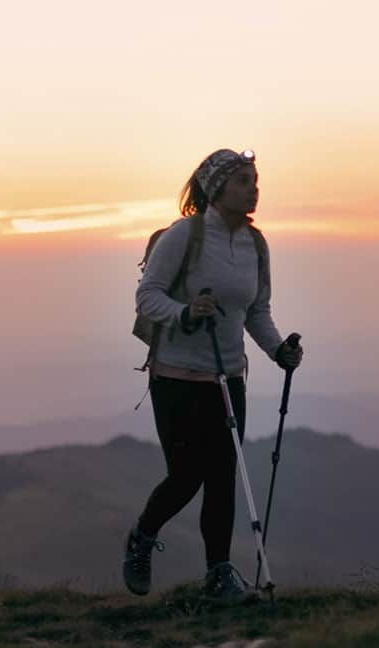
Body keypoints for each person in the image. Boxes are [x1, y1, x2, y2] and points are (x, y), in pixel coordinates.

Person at [124, 148, 303, 603]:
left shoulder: (256, 245)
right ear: (216, 187)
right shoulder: (185, 235)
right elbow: (148, 297)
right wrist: (186, 314)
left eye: (255, 180)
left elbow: (256, 311)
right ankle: (143, 536)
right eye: (243, 180)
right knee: (186, 476)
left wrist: (278, 351)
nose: (253, 188)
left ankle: (218, 572)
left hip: (229, 377)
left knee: (224, 475)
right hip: (176, 378)